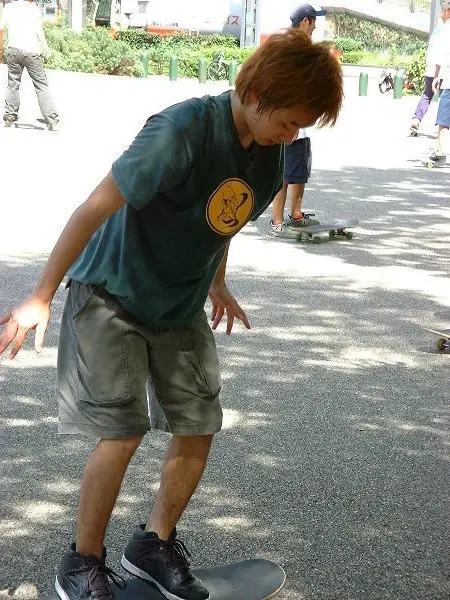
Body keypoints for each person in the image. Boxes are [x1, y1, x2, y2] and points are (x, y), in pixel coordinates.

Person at [0, 29, 343, 600]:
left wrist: (219, 283)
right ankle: (81, 563)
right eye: (291, 121)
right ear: (259, 95)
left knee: (199, 420)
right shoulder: (180, 132)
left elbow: (222, 220)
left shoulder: (268, 154)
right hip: (112, 293)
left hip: (180, 302)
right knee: (122, 432)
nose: (295, 134)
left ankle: (153, 544)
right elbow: (93, 207)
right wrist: (42, 294)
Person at [270, 4, 327, 237]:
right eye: (314, 21)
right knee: (284, 174)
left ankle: (295, 214)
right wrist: (289, 122)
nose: (315, 26)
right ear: (306, 21)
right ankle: (276, 221)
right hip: (290, 122)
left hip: (300, 123)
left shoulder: (300, 45)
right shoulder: (292, 47)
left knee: (299, 170)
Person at [0, 0, 59, 129]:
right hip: (32, 52)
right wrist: (46, 48)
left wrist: (0, 49)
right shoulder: (34, 9)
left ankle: (9, 117)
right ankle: (52, 120)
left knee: (12, 84)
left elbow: (1, 29)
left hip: (13, 51)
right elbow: (39, 31)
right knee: (41, 85)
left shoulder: (8, 8)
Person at [410, 3, 450, 136]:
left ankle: (416, 119)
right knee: (446, 99)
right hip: (442, 69)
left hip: (430, 67)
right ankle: (442, 129)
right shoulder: (447, 29)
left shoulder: (438, 29)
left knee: (427, 95)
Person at [429, 0, 450, 163]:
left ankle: (441, 150)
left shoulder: (446, 29)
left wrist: (436, 76)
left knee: (444, 115)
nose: (441, 15)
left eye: (442, 12)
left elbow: (441, 56)